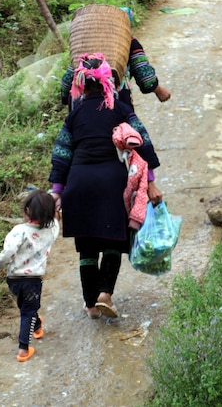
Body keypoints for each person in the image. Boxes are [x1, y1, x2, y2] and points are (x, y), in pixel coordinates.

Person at [49, 52, 162, 319]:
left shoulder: (74, 116)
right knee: (113, 241)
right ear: (108, 83)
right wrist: (151, 183)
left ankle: (90, 306)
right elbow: (141, 143)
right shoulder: (121, 110)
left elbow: (62, 152)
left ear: (82, 86)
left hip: (78, 183)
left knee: (87, 249)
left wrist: (57, 192)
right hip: (111, 183)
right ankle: (105, 294)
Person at [0, 189, 59, 362]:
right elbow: (56, 223)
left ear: (27, 210)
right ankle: (23, 348)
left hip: (14, 279)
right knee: (28, 310)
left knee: (26, 308)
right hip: (33, 281)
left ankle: (35, 328)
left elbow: (9, 252)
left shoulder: (19, 231)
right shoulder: (51, 231)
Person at [61, 7, 171, 111]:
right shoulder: (129, 43)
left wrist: (65, 97)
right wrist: (159, 91)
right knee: (129, 130)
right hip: (115, 104)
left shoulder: (86, 44)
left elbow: (68, 79)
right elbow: (145, 76)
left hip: (79, 108)